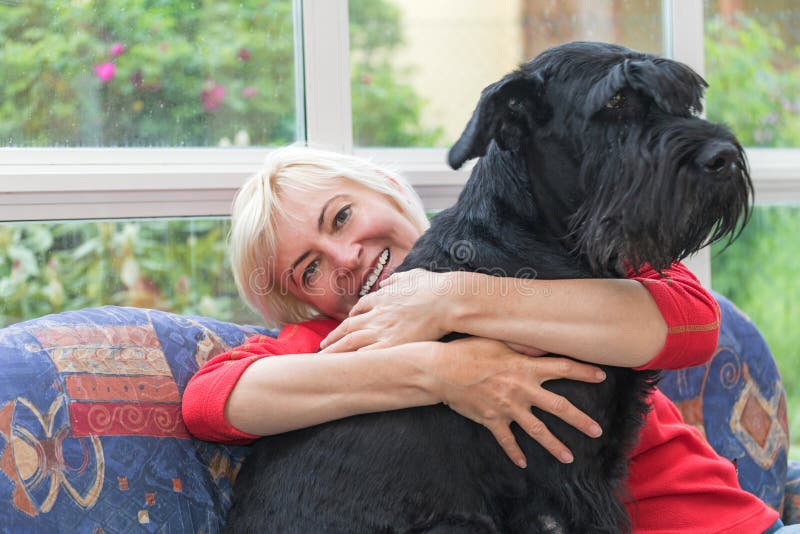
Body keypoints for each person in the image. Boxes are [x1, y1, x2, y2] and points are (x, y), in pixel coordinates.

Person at [182, 146, 789, 533]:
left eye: (341, 216)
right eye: (308, 269)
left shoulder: (537, 240)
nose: (344, 257)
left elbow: (694, 321)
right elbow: (213, 400)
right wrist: (442, 371)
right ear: (303, 298)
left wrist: (453, 298)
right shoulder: (342, 340)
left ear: (387, 189)